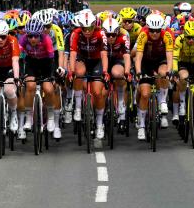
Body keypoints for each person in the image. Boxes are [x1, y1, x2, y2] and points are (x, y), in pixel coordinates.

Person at [68, 10, 110, 139]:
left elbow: (104, 54)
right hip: (83, 59)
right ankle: (79, 107)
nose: (87, 31)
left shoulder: (101, 33)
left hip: (97, 61)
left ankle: (99, 124)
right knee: (79, 73)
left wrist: (105, 71)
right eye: (84, 29)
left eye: (90, 28)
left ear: (94, 26)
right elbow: (73, 54)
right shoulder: (75, 34)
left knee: (97, 93)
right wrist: (71, 71)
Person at [134, 13, 174, 140]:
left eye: (157, 31)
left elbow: (169, 56)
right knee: (145, 94)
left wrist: (169, 71)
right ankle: (141, 126)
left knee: (163, 73)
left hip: (160, 60)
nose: (155, 33)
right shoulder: (143, 34)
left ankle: (162, 102)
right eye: (152, 30)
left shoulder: (166, 35)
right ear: (148, 28)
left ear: (161, 29)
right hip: (146, 61)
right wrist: (139, 72)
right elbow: (138, 56)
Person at [19, 18, 60, 139]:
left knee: (48, 89)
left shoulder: (46, 40)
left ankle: (51, 117)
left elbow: (52, 60)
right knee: (30, 85)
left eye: (35, 36)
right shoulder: (23, 40)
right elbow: (20, 58)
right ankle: (29, 118)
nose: (32, 39)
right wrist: (21, 74)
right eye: (30, 36)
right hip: (32, 63)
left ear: (40, 34)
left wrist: (52, 76)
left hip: (46, 64)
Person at [103, 17, 131, 129]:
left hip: (117, 61)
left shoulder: (124, 38)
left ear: (118, 32)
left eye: (113, 35)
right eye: (108, 34)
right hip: (103, 61)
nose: (110, 37)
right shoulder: (101, 38)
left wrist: (127, 72)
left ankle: (120, 103)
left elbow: (127, 57)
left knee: (118, 75)